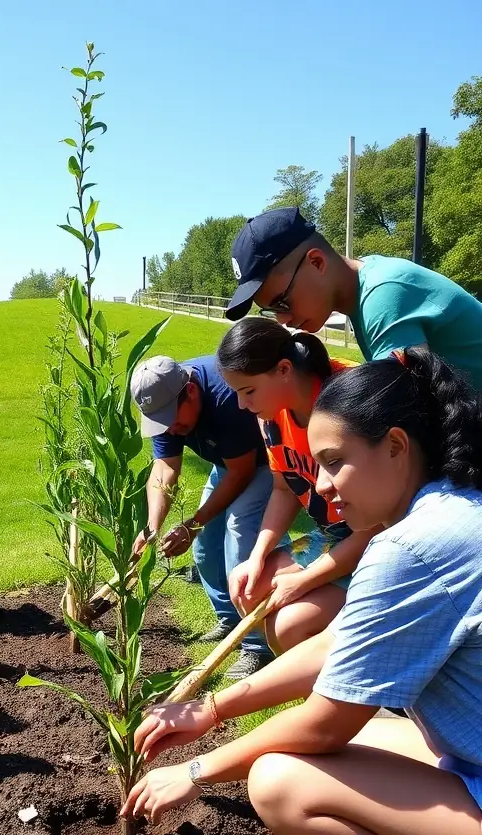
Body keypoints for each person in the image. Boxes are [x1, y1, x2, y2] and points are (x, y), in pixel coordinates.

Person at [122, 350, 482, 835]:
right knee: (371, 736)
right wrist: (213, 708)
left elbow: (325, 724)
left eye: (335, 462)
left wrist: (196, 772)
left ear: (397, 447)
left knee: (280, 782)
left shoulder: (413, 548)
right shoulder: (452, 510)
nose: (322, 487)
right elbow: (341, 649)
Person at [216, 318, 379, 654]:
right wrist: (257, 557)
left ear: (284, 369)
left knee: (288, 626)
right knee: (250, 587)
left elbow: (375, 524)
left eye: (248, 391)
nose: (242, 405)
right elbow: (283, 488)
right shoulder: (271, 417)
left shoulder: (348, 400)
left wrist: (303, 582)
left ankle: (366, 648)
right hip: (335, 535)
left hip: (379, 539)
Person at [223, 206, 482, 391]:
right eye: (270, 310)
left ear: (316, 262)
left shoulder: (383, 293)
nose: (282, 320)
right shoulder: (366, 285)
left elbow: (404, 408)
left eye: (282, 302)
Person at [130, 354, 274, 678]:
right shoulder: (166, 404)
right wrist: (153, 526)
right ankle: (228, 619)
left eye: (173, 420)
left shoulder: (225, 395)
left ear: (191, 391)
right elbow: (165, 467)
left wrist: (192, 524)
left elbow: (241, 473)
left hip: (262, 463)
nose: (171, 429)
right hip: (227, 462)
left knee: (240, 534)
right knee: (206, 548)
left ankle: (256, 646)